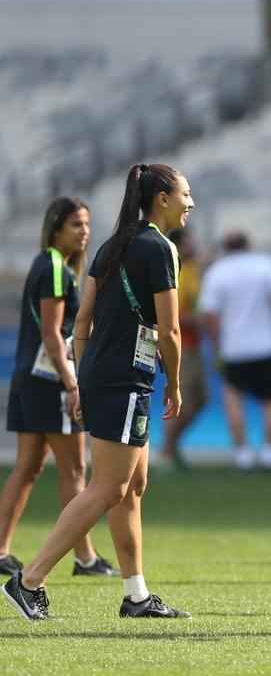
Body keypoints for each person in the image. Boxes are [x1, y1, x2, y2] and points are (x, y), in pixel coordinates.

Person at [3, 163, 193, 621]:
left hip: (106, 377)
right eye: (185, 194)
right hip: (126, 380)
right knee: (109, 487)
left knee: (132, 487)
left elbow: (83, 321)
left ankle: (136, 596)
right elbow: (169, 331)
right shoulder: (160, 248)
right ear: (162, 199)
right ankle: (29, 581)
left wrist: (85, 378)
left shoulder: (112, 245)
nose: (191, 203)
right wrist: (175, 382)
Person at [0, 198, 115, 579]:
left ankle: (1, 550)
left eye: (87, 224)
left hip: (29, 379)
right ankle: (85, 558)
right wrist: (72, 383)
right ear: (55, 228)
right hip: (51, 382)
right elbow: (52, 335)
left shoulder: (49, 264)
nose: (84, 232)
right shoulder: (53, 266)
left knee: (28, 467)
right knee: (75, 469)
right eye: (75, 225)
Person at [198, 230, 271, 470]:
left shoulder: (217, 272)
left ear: (225, 247)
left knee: (233, 399)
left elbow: (210, 315)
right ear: (248, 244)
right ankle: (270, 452)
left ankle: (242, 453)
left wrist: (216, 346)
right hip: (266, 346)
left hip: (233, 348)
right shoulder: (266, 265)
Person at [162, 227, 207, 470]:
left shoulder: (192, 270)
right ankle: (167, 453)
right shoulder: (174, 271)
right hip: (181, 347)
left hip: (194, 346)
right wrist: (198, 320)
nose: (195, 244)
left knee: (201, 400)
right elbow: (171, 316)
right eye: (190, 241)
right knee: (182, 402)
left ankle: (171, 446)